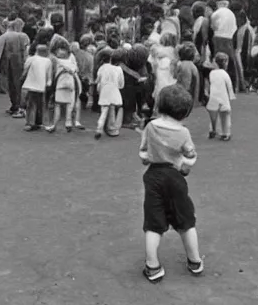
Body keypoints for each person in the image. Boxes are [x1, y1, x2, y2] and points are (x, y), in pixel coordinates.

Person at [139, 84, 203, 283]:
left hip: (154, 176)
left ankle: (153, 266)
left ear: (159, 105)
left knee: (153, 224)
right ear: (185, 112)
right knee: (186, 220)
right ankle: (194, 261)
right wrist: (185, 166)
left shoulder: (150, 126)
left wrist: (150, 157)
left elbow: (143, 154)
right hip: (175, 178)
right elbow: (190, 156)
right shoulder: (183, 132)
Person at [0, 18, 29, 118]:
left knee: (11, 85)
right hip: (19, 63)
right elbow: (26, 51)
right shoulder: (22, 36)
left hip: (8, 63)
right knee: (19, 85)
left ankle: (15, 105)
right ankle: (20, 107)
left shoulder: (2, 37)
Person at [47, 45, 81, 133]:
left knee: (58, 105)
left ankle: (54, 125)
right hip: (70, 85)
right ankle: (68, 123)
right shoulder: (71, 62)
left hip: (60, 85)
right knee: (69, 105)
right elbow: (76, 70)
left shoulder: (57, 61)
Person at [21, 44, 53, 132]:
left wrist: (22, 78)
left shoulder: (31, 58)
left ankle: (30, 123)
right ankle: (39, 121)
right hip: (41, 85)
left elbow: (25, 68)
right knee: (40, 103)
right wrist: (49, 83)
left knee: (31, 104)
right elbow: (49, 74)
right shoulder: (48, 61)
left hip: (31, 84)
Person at [94, 48, 125, 139]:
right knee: (113, 108)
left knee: (104, 110)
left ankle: (99, 128)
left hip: (104, 90)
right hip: (114, 90)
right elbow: (121, 84)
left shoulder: (102, 67)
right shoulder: (119, 69)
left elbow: (97, 80)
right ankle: (112, 129)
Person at [210, 0, 238, 92]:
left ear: (219, 4)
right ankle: (232, 86)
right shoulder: (232, 14)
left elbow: (213, 26)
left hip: (218, 38)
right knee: (230, 62)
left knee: (218, 61)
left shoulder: (216, 13)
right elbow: (235, 28)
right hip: (229, 38)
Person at [206, 52, 236, 140]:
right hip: (223, 97)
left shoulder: (212, 73)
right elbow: (229, 86)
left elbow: (209, 84)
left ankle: (212, 130)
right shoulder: (225, 74)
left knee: (214, 115)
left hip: (213, 97)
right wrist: (231, 96)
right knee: (225, 116)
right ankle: (226, 133)